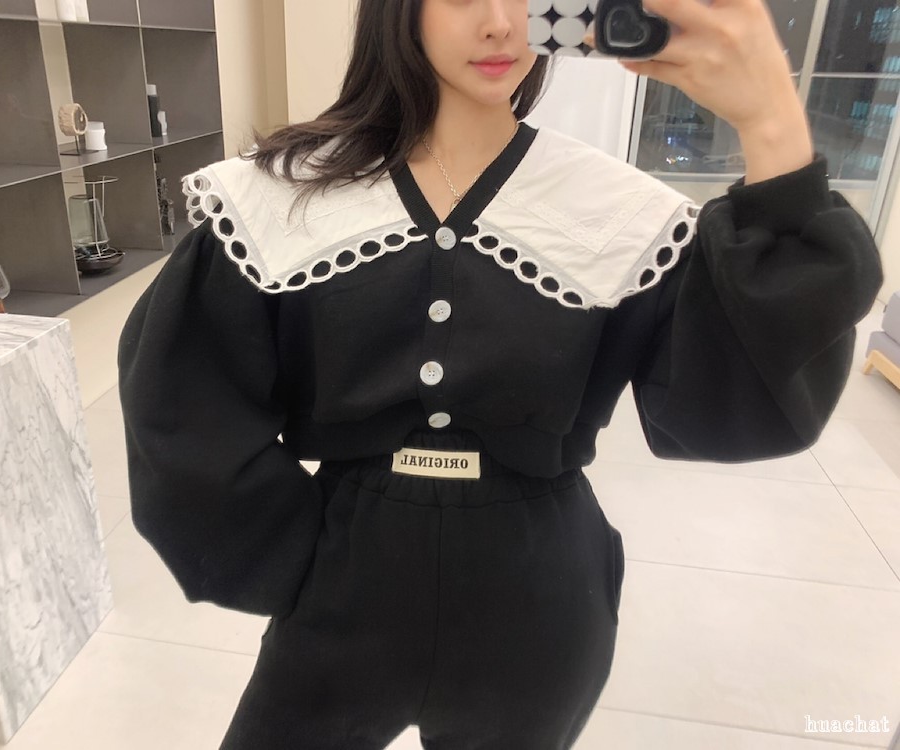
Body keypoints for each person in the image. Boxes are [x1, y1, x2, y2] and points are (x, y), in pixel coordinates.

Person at [117, 0, 884, 747]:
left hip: (540, 602)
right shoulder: (282, 196)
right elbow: (186, 402)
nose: (499, 22)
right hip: (338, 580)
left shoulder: (619, 213)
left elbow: (740, 400)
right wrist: (289, 561)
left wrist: (769, 122)